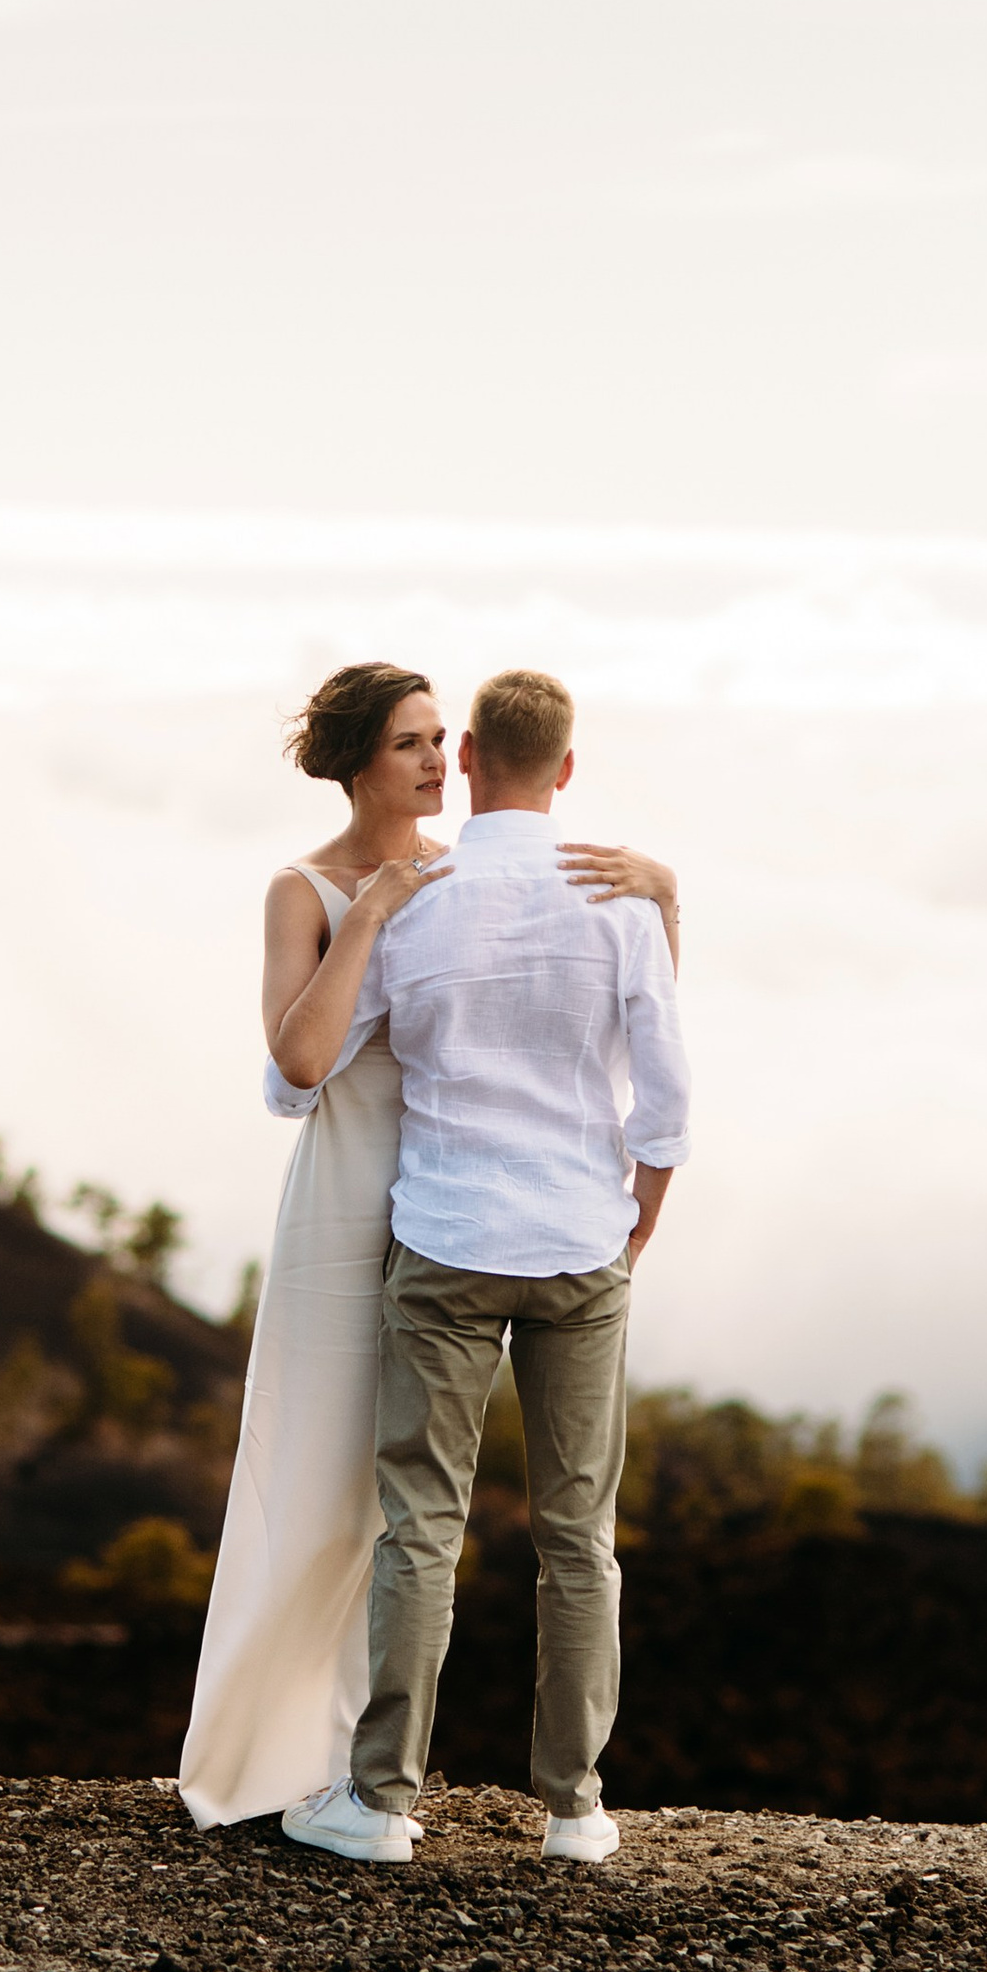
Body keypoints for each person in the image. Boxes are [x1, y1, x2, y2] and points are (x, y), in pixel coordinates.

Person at [176, 662, 677, 1833]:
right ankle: (283, 1750)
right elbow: (296, 1072)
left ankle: (376, 1772)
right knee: (324, 1485)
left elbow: (587, 1021)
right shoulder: (315, 889)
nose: (431, 759)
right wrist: (371, 911)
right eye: (407, 740)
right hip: (357, 1198)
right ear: (359, 759)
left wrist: (660, 891)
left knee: (408, 1512)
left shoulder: (464, 884)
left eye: (438, 738)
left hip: (448, 1208)